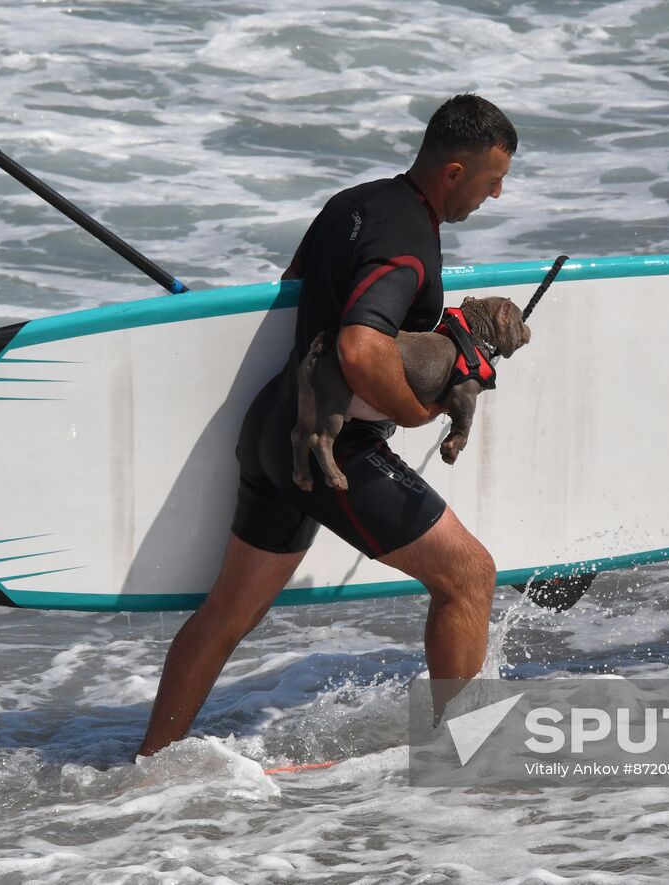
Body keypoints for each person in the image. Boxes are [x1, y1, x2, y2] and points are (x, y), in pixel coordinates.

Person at [137, 94, 517, 757]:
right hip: (333, 450)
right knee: (468, 575)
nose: (496, 195)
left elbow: (289, 292)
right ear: (454, 172)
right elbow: (359, 347)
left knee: (230, 611)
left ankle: (148, 765)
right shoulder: (410, 242)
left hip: (274, 426)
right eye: (491, 181)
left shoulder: (353, 204)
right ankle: (464, 759)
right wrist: (417, 408)